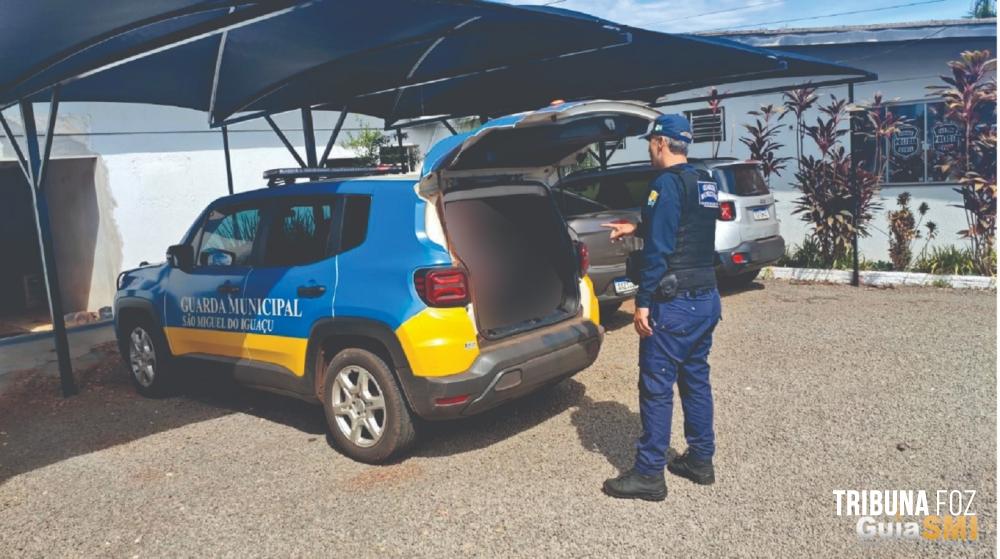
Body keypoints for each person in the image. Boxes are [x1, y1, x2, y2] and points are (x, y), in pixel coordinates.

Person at [600, 114, 722, 502]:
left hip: (674, 302)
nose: (650, 150)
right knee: (695, 379)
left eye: (651, 143)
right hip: (706, 297)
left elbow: (660, 250)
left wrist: (643, 302)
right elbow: (684, 227)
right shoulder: (705, 181)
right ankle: (700, 460)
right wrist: (634, 227)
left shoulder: (665, 184)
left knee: (656, 386)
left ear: (661, 143)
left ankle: (650, 474)